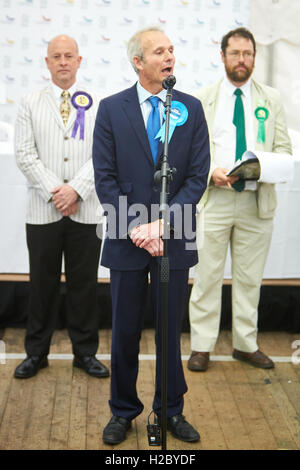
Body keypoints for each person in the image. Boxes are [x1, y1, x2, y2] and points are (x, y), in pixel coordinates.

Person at [92, 27, 210, 445]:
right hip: (128, 239)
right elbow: (105, 180)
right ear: (138, 62)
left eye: (172, 50)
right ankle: (123, 412)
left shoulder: (191, 109)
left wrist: (164, 225)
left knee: (168, 331)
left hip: (173, 240)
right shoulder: (110, 109)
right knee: (124, 330)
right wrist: (138, 229)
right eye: (159, 51)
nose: (169, 56)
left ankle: (170, 410)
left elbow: (197, 179)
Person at [188, 27, 292, 372]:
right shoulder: (203, 98)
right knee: (206, 277)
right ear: (223, 56)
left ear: (254, 58)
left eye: (248, 54)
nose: (242, 60)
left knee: (249, 279)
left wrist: (261, 168)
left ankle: (245, 344)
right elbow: (192, 152)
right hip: (214, 200)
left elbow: (284, 152)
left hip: (255, 202)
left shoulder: (271, 100)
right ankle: (201, 345)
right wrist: (210, 173)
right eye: (236, 54)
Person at [14, 35, 109, 379]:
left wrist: (77, 191)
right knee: (42, 285)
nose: (64, 61)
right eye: (57, 56)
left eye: (69, 56)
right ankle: (36, 353)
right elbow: (25, 153)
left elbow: (104, 154)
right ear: (47, 62)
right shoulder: (29, 102)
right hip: (44, 210)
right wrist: (58, 192)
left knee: (84, 285)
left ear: (80, 61)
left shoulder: (98, 103)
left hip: (86, 210)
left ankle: (85, 354)